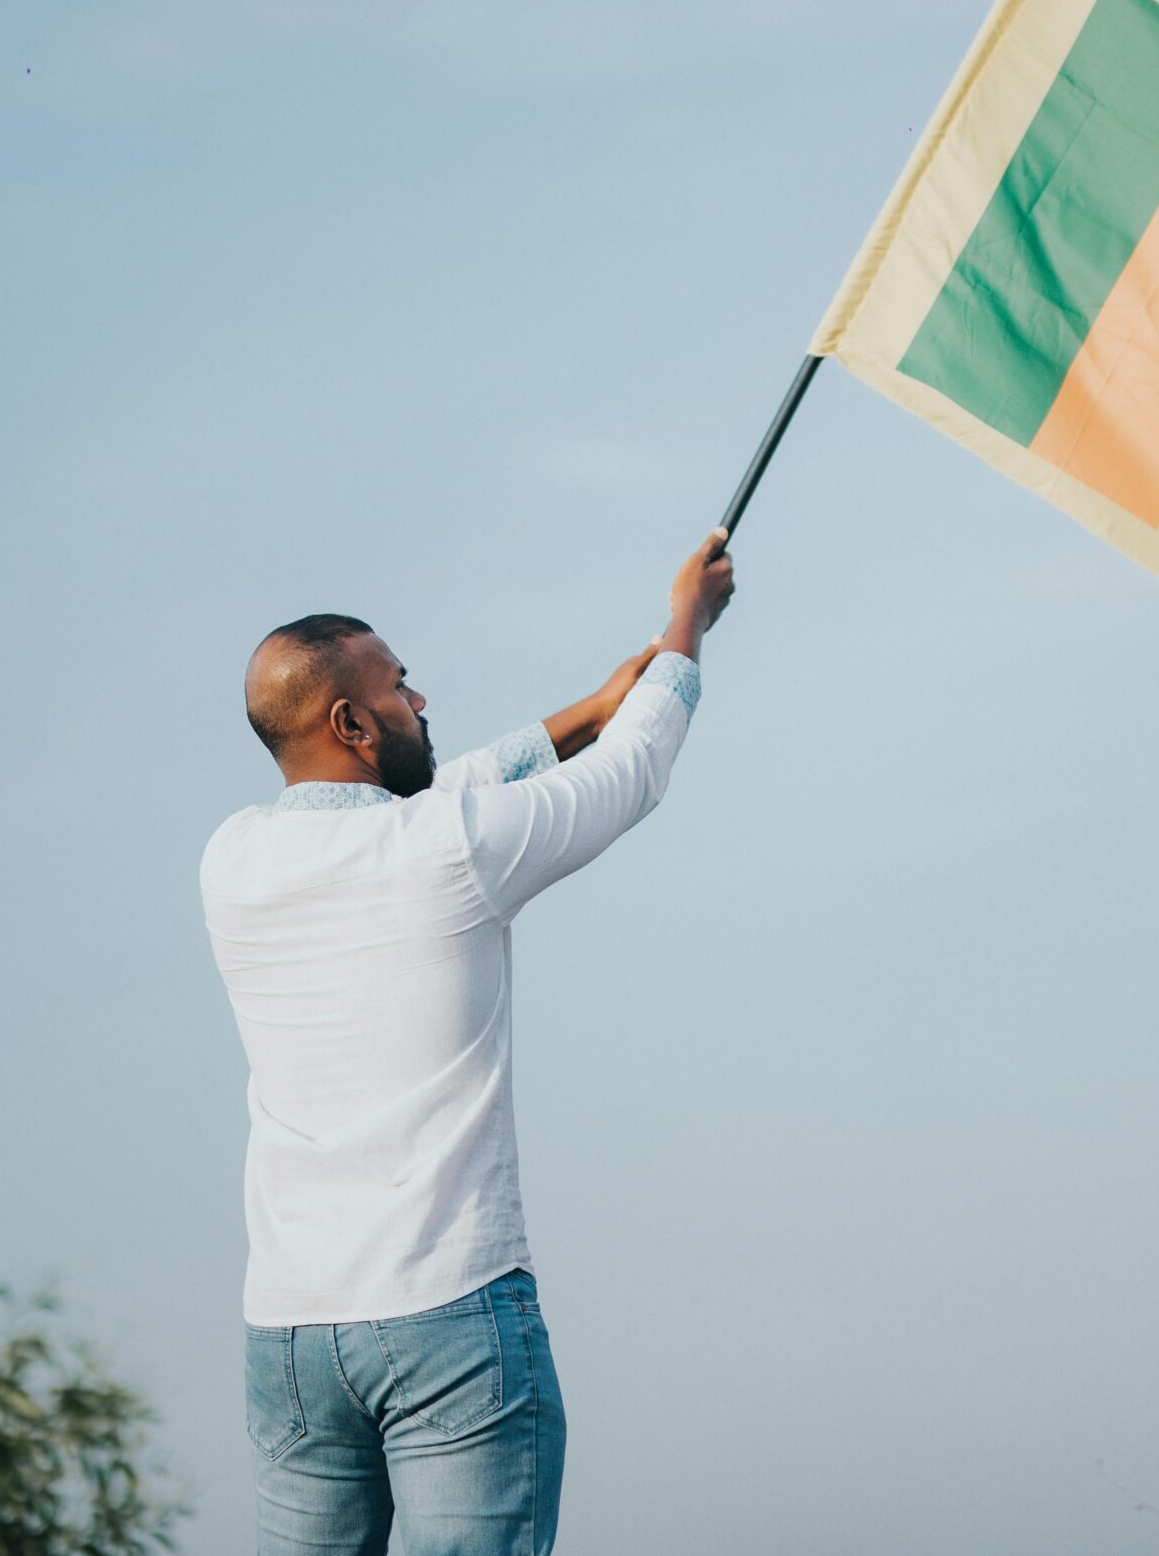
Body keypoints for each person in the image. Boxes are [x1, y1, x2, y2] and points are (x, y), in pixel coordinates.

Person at [199, 528, 736, 1556]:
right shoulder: (449, 850)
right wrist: (685, 627)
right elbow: (632, 774)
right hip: (444, 1315)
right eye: (402, 689)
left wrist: (592, 699)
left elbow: (446, 792)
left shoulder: (233, 859)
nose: (423, 702)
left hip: (291, 1334)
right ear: (354, 720)